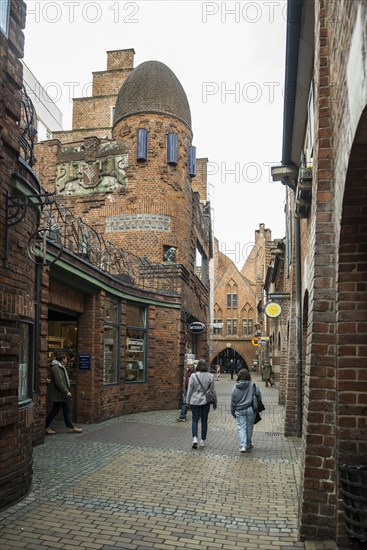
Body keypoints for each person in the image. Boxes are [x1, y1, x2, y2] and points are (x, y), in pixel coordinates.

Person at [45, 353, 83, 434]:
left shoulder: (61, 367)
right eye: (66, 358)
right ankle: (46, 426)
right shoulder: (56, 367)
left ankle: (71, 427)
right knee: (55, 410)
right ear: (62, 359)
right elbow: (59, 381)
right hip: (59, 394)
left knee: (66, 409)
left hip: (62, 394)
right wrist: (67, 391)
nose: (67, 360)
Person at [186, 359, 217, 448]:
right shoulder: (210, 376)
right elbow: (213, 391)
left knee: (195, 420)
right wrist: (214, 402)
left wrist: (188, 401)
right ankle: (203, 440)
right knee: (204, 420)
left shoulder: (193, 376)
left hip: (195, 400)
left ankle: (195, 438)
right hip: (205, 401)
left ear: (198, 366)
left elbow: (190, 390)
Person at [231, 368, 262, 453]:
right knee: (249, 427)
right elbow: (258, 396)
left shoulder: (235, 387)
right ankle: (248, 444)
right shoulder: (253, 385)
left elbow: (233, 401)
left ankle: (242, 445)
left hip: (239, 409)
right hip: (251, 409)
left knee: (241, 428)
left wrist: (233, 411)